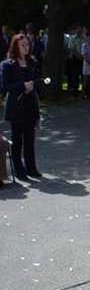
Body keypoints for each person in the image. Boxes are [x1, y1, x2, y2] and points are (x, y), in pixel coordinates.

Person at [3, 34, 42, 180]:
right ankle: (19, 169)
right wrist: (23, 86)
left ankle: (31, 168)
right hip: (16, 106)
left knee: (30, 139)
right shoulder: (8, 65)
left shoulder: (32, 61)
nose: (26, 48)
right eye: (23, 45)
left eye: (27, 45)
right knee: (17, 139)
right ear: (16, 47)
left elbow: (39, 80)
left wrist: (33, 85)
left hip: (30, 105)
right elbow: (6, 86)